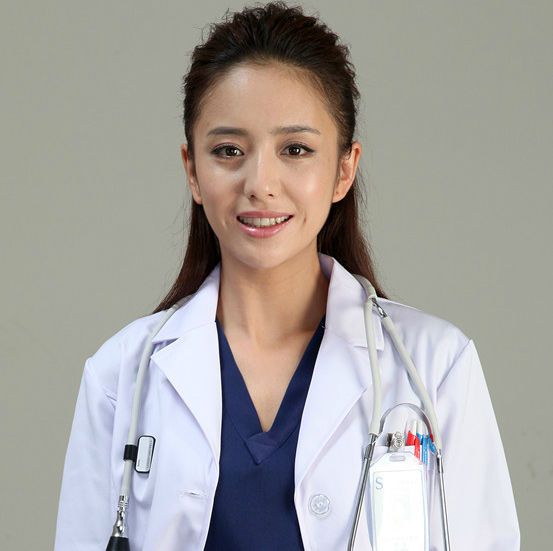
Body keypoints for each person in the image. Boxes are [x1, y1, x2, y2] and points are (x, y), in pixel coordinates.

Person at [54, 2, 520, 549]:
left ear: (344, 169)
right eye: (229, 151)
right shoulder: (120, 378)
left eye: (295, 149)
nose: (261, 183)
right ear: (192, 171)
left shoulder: (434, 367)